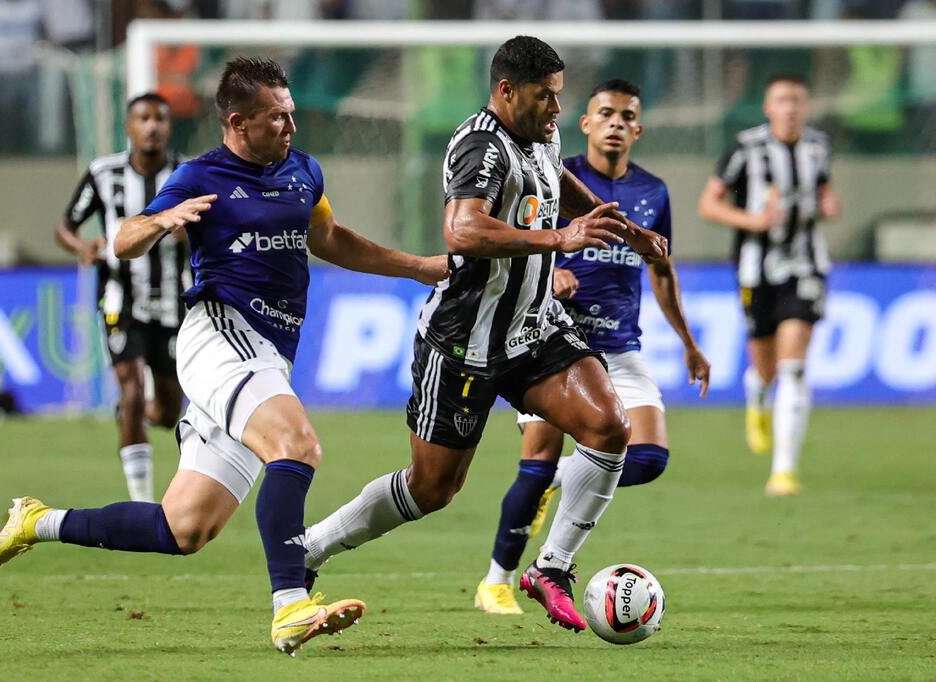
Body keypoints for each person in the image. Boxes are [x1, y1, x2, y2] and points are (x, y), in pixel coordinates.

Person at [0, 56, 447, 656]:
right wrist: (160, 220)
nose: (291, 127)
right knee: (296, 446)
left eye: (292, 113)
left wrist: (417, 268)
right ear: (238, 123)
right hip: (219, 335)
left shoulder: (304, 171)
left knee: (184, 529)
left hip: (268, 353)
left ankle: (37, 521)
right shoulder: (200, 176)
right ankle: (290, 605)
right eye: (277, 118)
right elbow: (123, 238)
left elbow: (328, 238)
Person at [299, 36, 668, 634]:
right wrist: (559, 240)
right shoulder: (481, 147)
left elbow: (557, 182)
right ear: (506, 91)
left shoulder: (541, 134)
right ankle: (308, 550)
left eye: (558, 95)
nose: (556, 110)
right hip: (463, 342)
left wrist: (616, 225)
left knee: (609, 425)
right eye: (545, 98)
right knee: (431, 489)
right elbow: (463, 230)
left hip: (532, 329)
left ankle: (552, 567)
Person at [474, 78, 711, 616]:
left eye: (627, 116)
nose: (616, 123)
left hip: (621, 348)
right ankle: (496, 582)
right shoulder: (560, 178)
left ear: (638, 129)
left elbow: (661, 267)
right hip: (553, 343)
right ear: (585, 124)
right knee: (536, 460)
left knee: (648, 458)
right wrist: (551, 270)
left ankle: (560, 482)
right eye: (605, 113)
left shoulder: (654, 192)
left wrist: (689, 343)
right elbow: (514, 239)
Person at [698, 73, 841, 496]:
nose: (791, 108)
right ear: (767, 106)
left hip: (807, 265)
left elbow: (826, 193)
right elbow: (709, 203)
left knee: (794, 365)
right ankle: (757, 395)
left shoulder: (818, 147)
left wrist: (830, 205)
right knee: (765, 364)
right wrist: (752, 220)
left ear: (806, 106)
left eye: (797, 100)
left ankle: (783, 470)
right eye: (782, 100)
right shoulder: (746, 149)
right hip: (755, 268)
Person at [55, 92, 187, 504]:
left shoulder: (189, 175)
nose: (152, 126)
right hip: (118, 299)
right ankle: (142, 504)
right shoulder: (102, 173)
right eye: (143, 118)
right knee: (130, 389)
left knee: (168, 411)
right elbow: (65, 225)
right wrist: (81, 246)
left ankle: (137, 415)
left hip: (172, 302)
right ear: (129, 127)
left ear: (169, 127)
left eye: (160, 119)